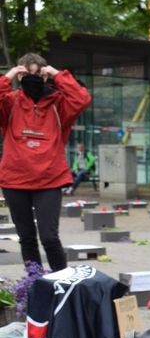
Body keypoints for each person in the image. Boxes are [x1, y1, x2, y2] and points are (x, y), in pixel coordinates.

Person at [0, 53, 92, 271]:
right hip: (15, 180)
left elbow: (82, 99)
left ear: (45, 76)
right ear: (20, 77)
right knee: (26, 238)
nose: (31, 79)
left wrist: (57, 74)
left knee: (49, 237)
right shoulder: (10, 103)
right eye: (26, 74)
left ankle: (61, 282)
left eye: (37, 74)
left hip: (49, 180)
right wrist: (10, 75)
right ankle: (35, 282)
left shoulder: (60, 105)